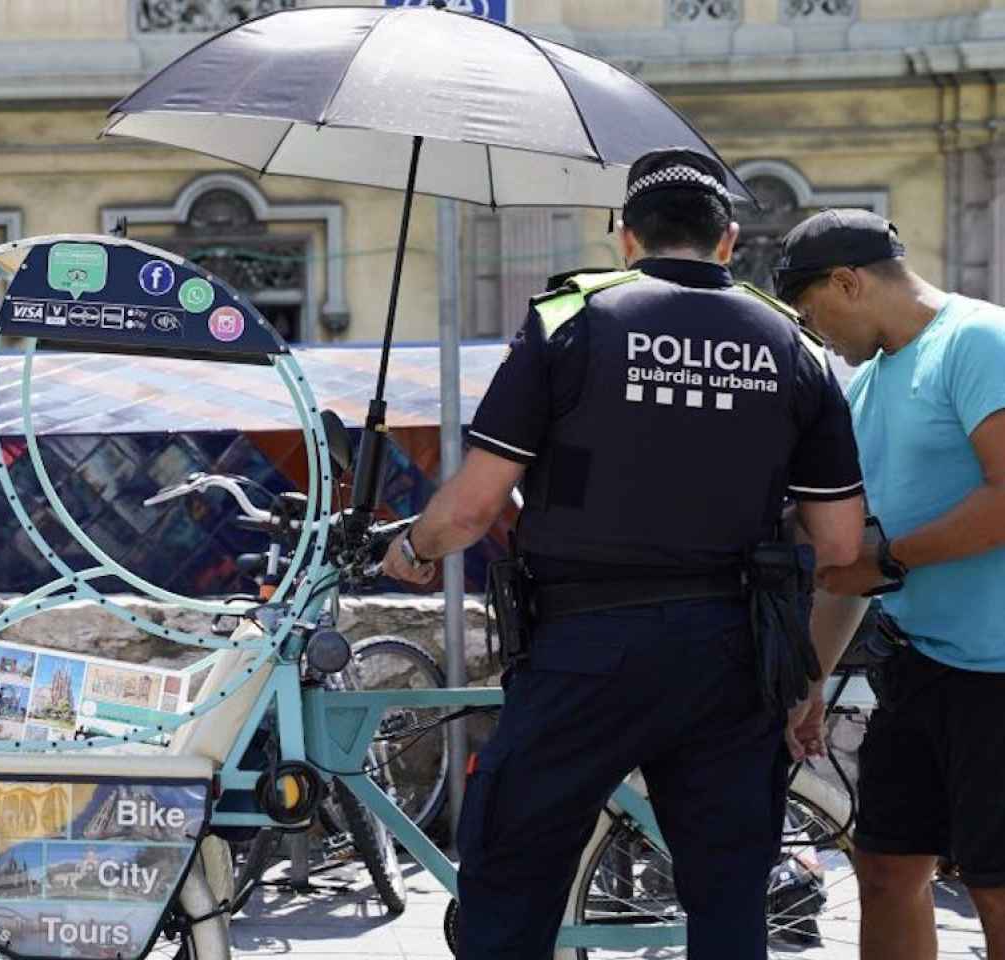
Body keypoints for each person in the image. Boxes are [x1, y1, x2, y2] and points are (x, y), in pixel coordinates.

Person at [380, 148, 865, 959]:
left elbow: (469, 511)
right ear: (728, 241)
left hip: (584, 650)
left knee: (512, 879)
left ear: (625, 238)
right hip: (732, 655)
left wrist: (413, 545)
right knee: (728, 896)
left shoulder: (570, 321)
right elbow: (842, 544)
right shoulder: (795, 346)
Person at [775, 209, 1005, 959]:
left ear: (848, 281)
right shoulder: (866, 388)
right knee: (883, 866)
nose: (819, 339)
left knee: (996, 888)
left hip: (999, 676)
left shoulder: (977, 340)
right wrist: (811, 678)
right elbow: (850, 565)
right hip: (919, 665)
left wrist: (891, 564)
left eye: (815, 317)